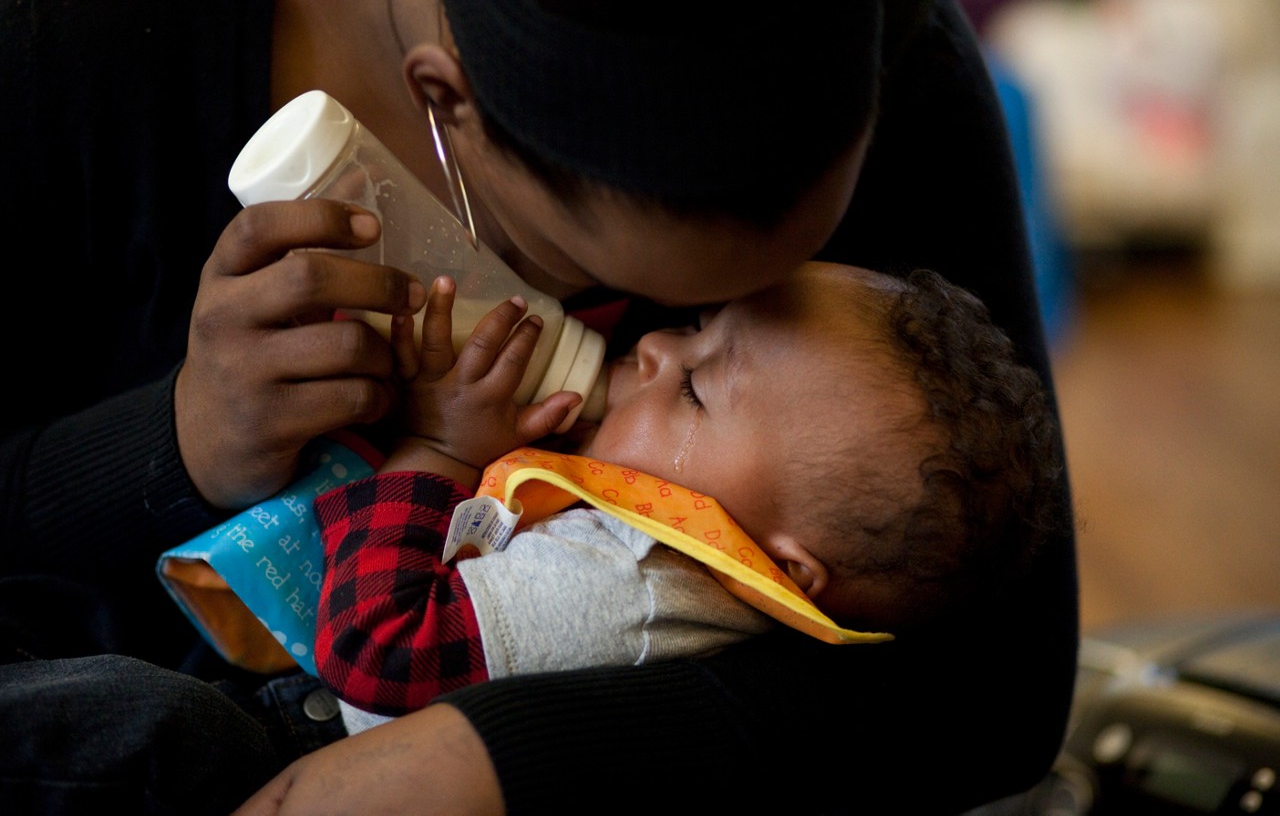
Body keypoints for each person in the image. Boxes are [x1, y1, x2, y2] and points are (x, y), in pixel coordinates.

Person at [0, 0, 1079, 813]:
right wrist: (173, 444)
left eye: (700, 369)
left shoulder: (878, 33)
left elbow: (993, 680)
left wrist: (502, 757)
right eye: (675, 313)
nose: (636, 352)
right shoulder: (90, 42)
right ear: (443, 103)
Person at [316, 262, 1060, 736]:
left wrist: (438, 449)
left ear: (784, 567)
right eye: (698, 328)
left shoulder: (630, 581)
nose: (656, 349)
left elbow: (379, 654)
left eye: (696, 391)